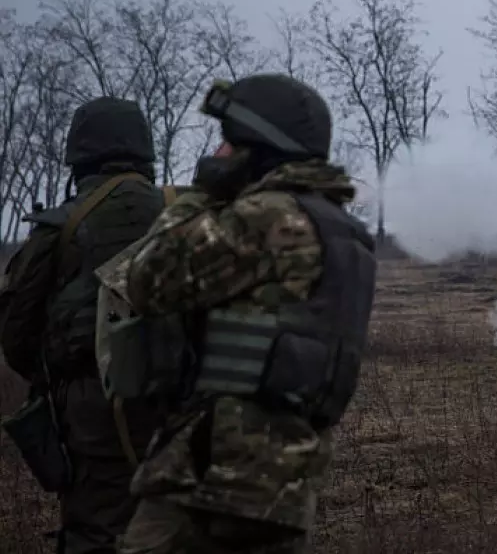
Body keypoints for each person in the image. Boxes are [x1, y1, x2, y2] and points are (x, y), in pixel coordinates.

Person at [112, 74, 377, 554]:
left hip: (207, 479)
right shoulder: (345, 233)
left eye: (228, 143)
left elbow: (146, 279)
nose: (220, 152)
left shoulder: (270, 216)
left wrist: (203, 191)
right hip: (285, 484)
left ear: (258, 146)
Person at [0, 98, 171, 553]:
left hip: (95, 417)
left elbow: (16, 338)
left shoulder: (63, 226)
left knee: (98, 533)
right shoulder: (185, 211)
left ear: (79, 156)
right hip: (185, 407)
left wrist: (57, 381)